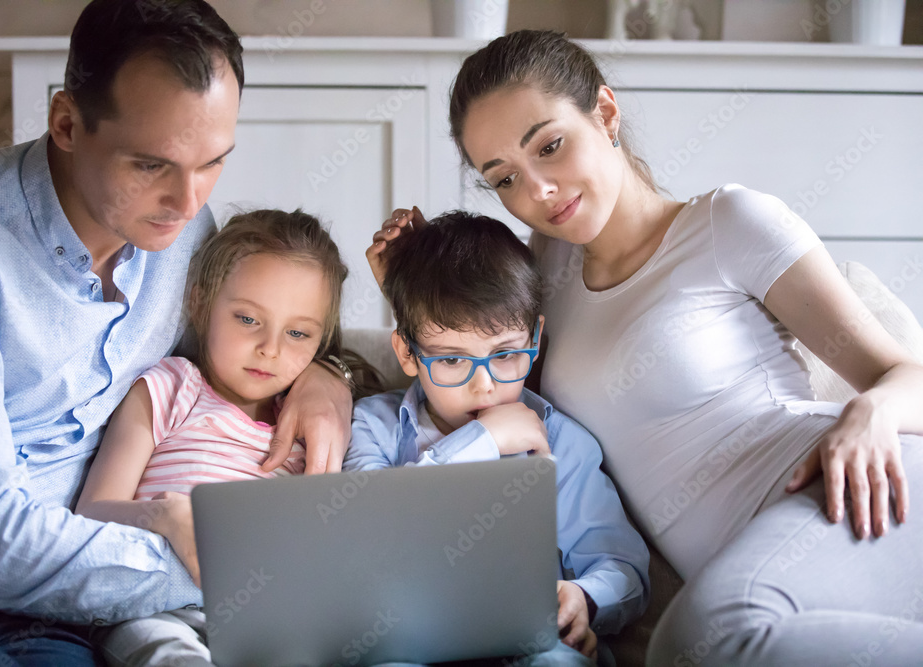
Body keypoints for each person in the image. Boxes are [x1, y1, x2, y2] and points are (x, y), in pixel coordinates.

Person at [368, 30, 923, 666]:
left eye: (550, 146)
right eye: (505, 180)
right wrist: (404, 296)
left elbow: (905, 373)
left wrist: (870, 412)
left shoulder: (728, 224)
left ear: (604, 113)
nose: (538, 192)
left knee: (694, 642)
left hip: (850, 485)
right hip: (761, 571)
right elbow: (485, 376)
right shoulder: (543, 273)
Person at [0, 1, 352, 663]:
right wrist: (238, 565)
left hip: (144, 598)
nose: (188, 202)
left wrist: (329, 376)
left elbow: (236, 358)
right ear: (66, 123)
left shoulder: (184, 235)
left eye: (212, 161)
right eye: (151, 164)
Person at [349, 211, 650, 665]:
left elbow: (622, 566)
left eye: (506, 354)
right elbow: (375, 531)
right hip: (409, 641)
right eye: (452, 360)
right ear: (407, 354)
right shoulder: (373, 425)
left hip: (527, 644)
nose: (484, 385)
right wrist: (481, 441)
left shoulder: (561, 442)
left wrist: (584, 598)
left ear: (535, 337)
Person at [77, 208, 352, 666]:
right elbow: (91, 511)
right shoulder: (170, 387)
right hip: (162, 607)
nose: (271, 348)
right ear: (201, 303)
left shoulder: (309, 426)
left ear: (321, 341)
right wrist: (164, 515)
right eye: (248, 319)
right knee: (165, 651)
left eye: (298, 332)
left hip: (275, 617)